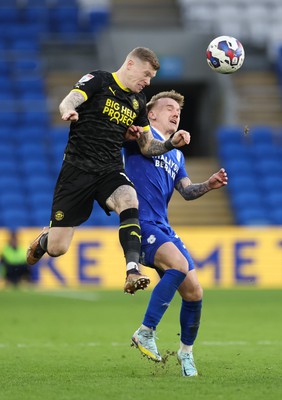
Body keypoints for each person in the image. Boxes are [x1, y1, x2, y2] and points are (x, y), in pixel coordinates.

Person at [26, 48, 190, 295]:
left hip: (109, 168)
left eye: (151, 78)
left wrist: (169, 144)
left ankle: (132, 271)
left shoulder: (139, 101)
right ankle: (44, 240)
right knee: (58, 248)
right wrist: (67, 111)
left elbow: (146, 147)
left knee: (129, 199)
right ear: (131, 64)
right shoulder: (99, 79)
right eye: (146, 75)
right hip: (77, 169)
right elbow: (70, 99)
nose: (148, 81)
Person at [123, 90, 228, 376]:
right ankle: (145, 331)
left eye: (178, 111)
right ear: (152, 113)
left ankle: (185, 354)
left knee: (194, 293)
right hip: (140, 222)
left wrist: (208, 184)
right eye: (168, 107)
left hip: (163, 225)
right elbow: (145, 148)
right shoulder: (139, 137)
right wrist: (167, 141)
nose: (175, 113)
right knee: (179, 266)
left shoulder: (177, 155)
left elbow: (186, 191)